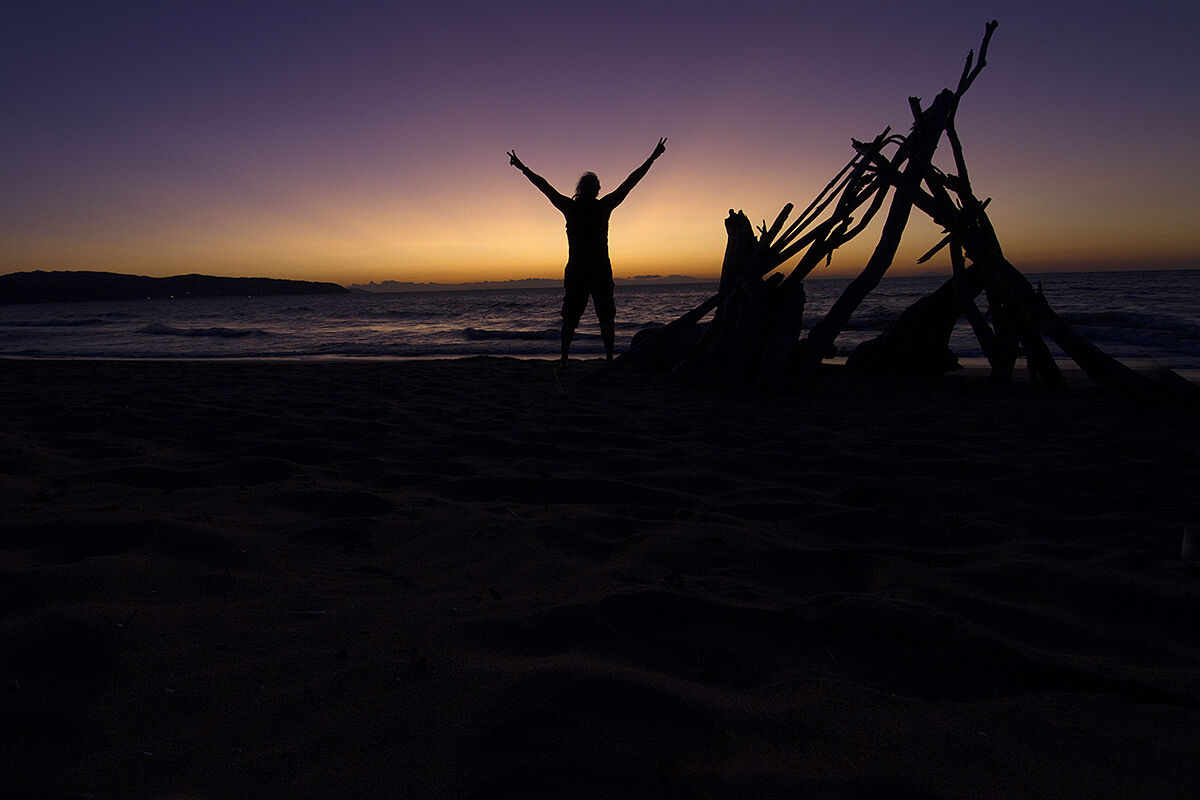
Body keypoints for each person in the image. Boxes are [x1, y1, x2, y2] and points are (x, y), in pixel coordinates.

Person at [508, 138, 667, 366]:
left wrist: (523, 168)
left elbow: (545, 187)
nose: (595, 190)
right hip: (592, 272)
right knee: (591, 318)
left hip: (585, 272)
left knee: (586, 318)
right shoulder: (598, 207)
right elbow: (629, 183)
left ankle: (569, 359)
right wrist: (652, 157)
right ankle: (591, 359)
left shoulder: (577, 207)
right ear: (592, 190)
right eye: (594, 188)